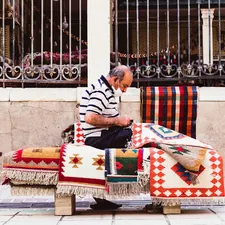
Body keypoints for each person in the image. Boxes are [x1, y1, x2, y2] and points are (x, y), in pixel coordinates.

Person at [79, 65, 133, 210]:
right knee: (135, 136)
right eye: (124, 86)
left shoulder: (105, 90)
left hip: (103, 135)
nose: (124, 90)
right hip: (97, 138)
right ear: (115, 80)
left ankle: (103, 196)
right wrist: (117, 121)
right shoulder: (101, 91)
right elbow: (90, 118)